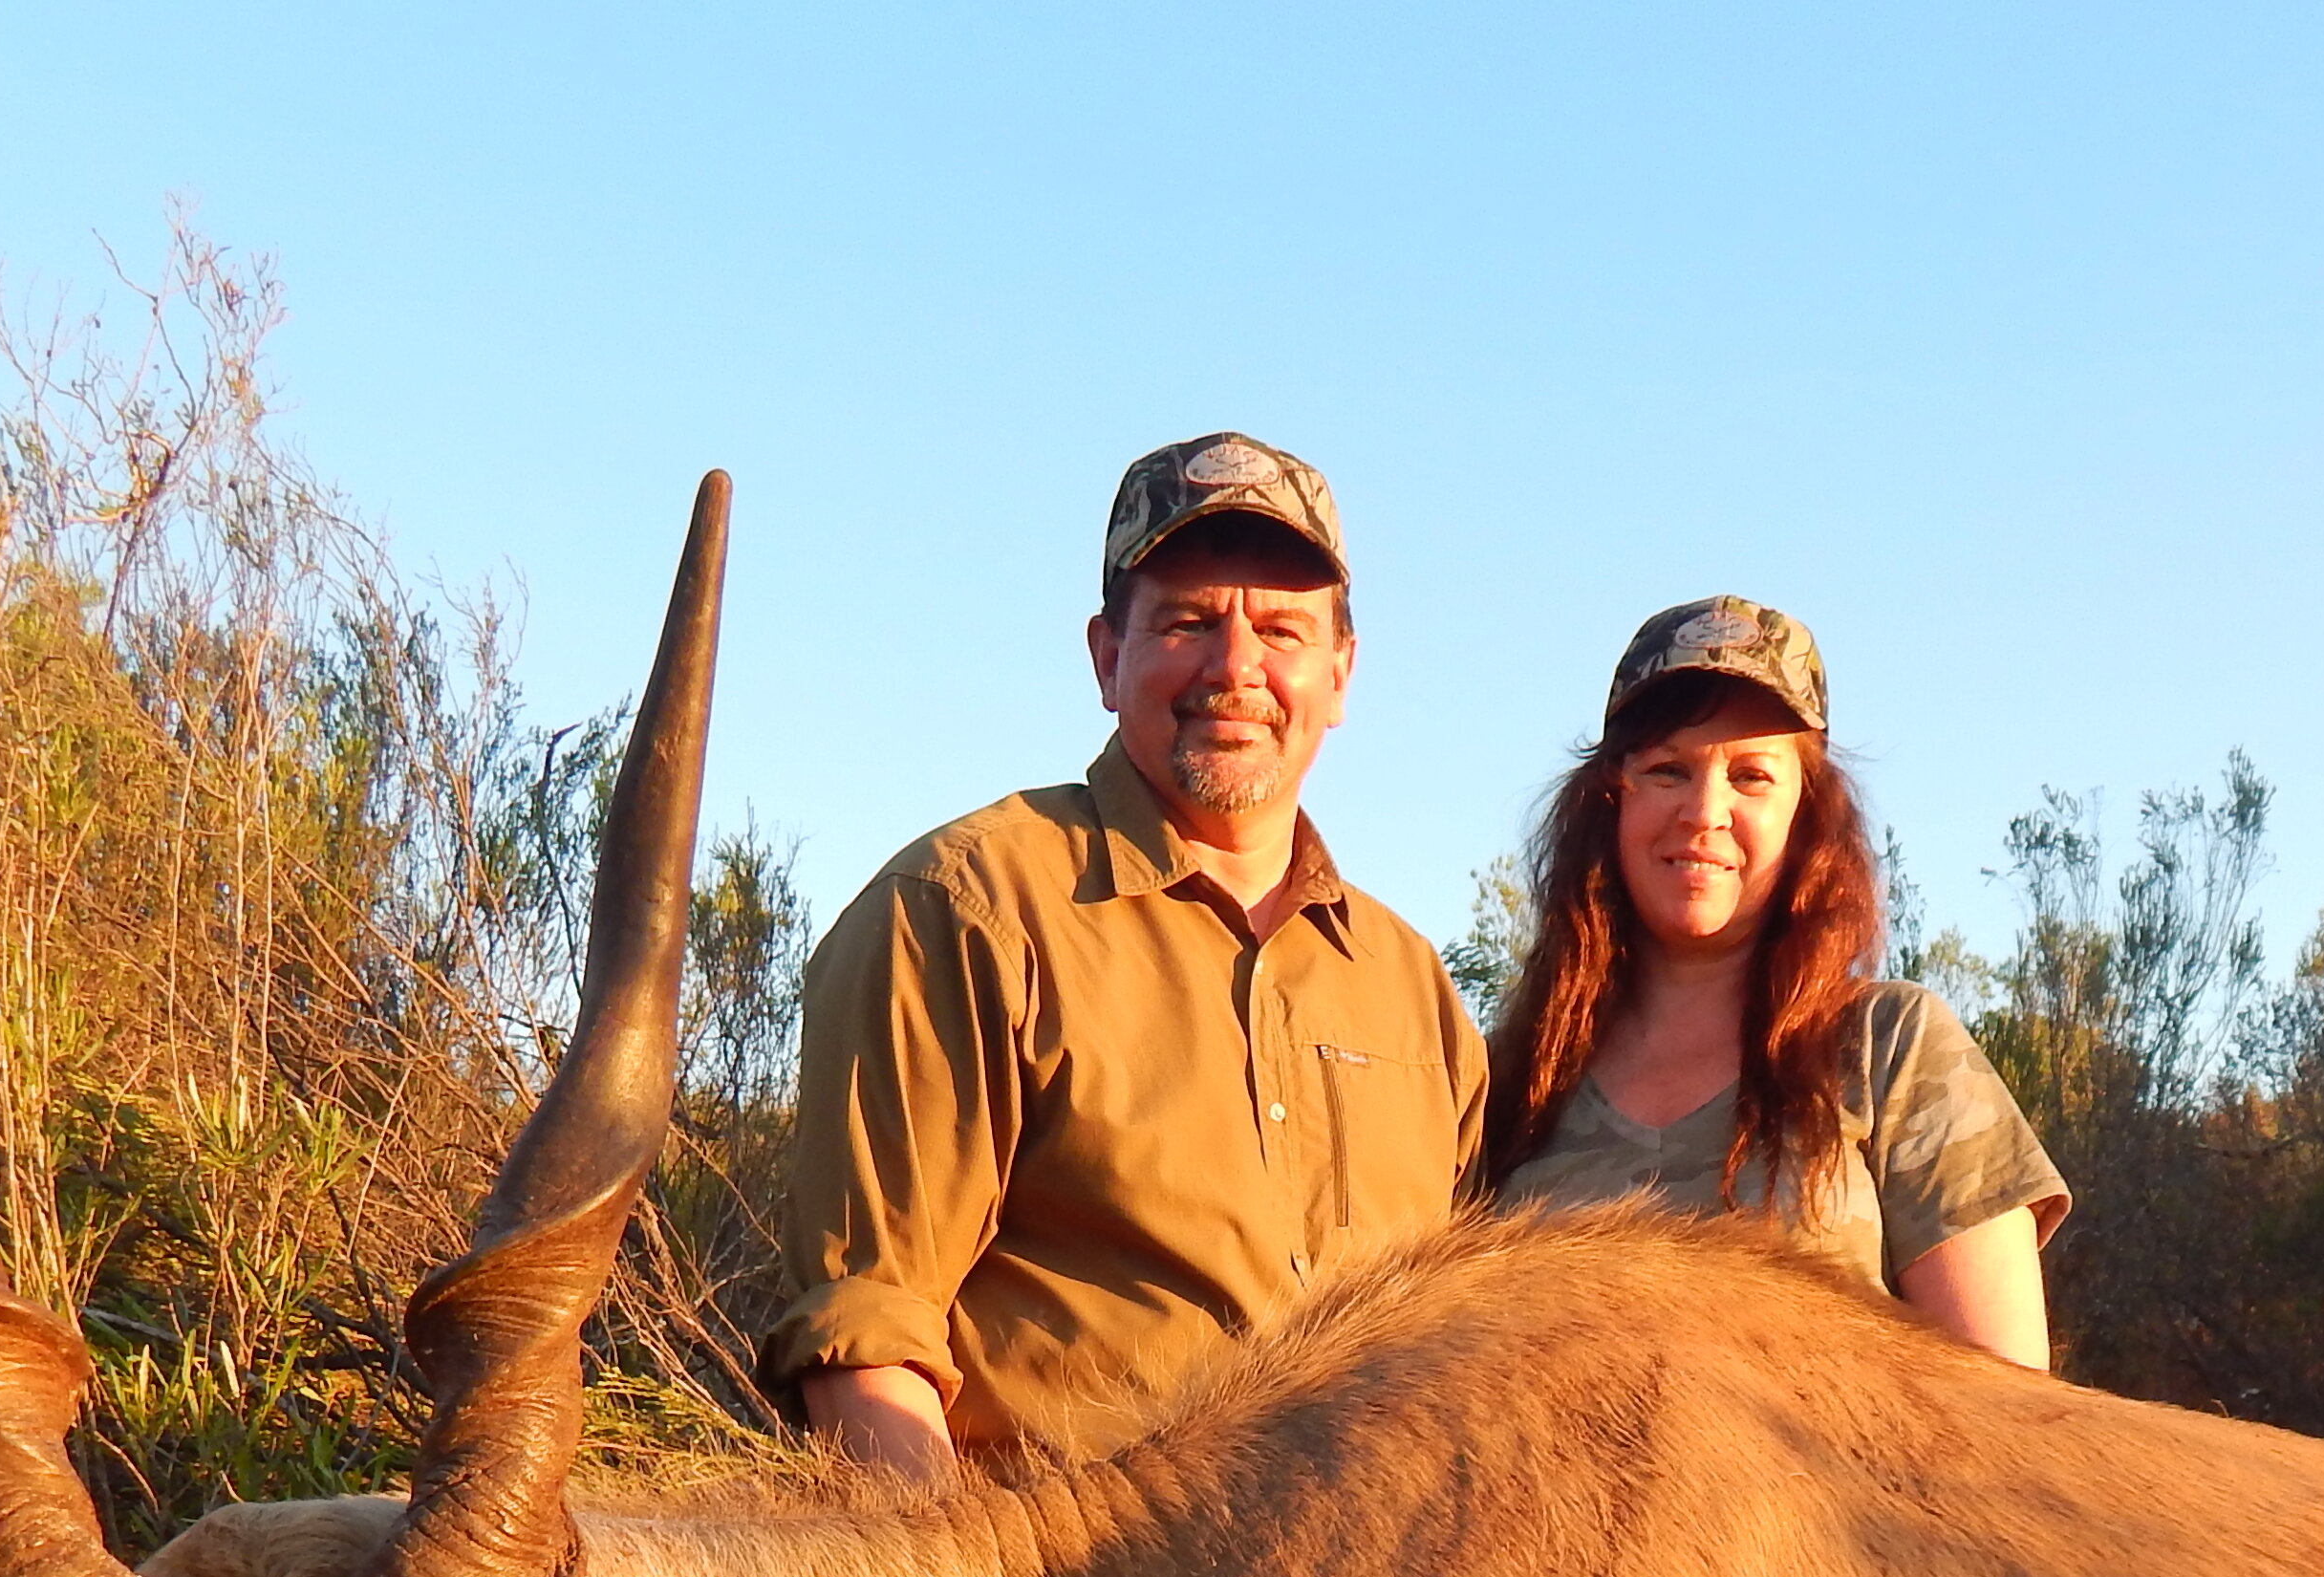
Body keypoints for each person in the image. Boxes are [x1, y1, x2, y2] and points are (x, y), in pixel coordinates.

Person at [761, 434, 1488, 1479]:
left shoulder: (1414, 990)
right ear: (1107, 658)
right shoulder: (966, 909)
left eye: (1282, 629)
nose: (1236, 669)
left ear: (1340, 672)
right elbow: (866, 1334)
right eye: (1188, 622)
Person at [1485, 596, 2063, 1365]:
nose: (1704, 812)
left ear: (1807, 817)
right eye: (1668, 770)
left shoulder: (1893, 1049)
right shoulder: (1511, 1079)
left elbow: (2014, 1419)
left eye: (1752, 777)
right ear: (1608, 801)